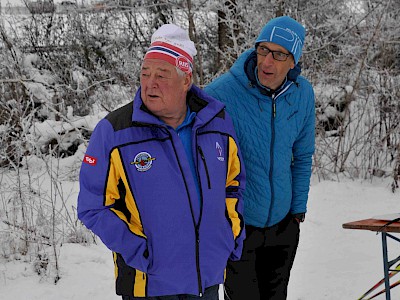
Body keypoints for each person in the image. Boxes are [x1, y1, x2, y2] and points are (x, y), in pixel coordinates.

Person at [77, 24, 246, 299]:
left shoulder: (217, 123)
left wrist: (228, 237)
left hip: (207, 279)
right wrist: (138, 250)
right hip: (148, 282)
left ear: (185, 80)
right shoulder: (115, 131)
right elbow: (92, 206)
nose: (149, 83)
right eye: (145, 74)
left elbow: (234, 184)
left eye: (161, 75)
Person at [205, 16, 315, 300]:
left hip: (283, 224)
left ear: (293, 62)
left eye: (279, 54)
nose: (267, 62)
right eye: (263, 50)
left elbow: (302, 156)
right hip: (239, 227)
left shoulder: (302, 95)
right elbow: (202, 166)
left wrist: (297, 211)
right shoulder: (219, 95)